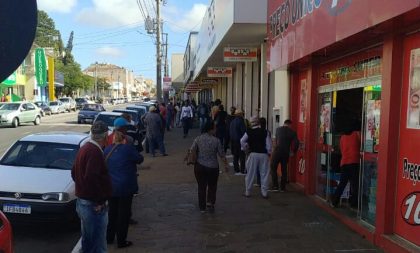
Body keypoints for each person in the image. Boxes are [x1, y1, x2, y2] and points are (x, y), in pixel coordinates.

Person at [71, 121, 112, 253]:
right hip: (93, 205)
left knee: (88, 241)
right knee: (98, 244)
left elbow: (73, 172)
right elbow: (91, 177)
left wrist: (81, 186)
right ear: (105, 136)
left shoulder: (85, 148)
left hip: (84, 202)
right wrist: (99, 200)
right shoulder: (94, 152)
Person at [105, 131, 144, 248]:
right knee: (124, 214)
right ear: (124, 140)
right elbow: (140, 159)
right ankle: (121, 240)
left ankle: (109, 237)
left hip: (111, 186)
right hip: (126, 186)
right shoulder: (128, 149)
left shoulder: (106, 150)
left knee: (112, 213)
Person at [190, 121, 228, 213]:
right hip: (213, 167)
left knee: (201, 187)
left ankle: (202, 208)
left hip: (200, 166)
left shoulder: (198, 139)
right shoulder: (216, 140)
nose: (216, 129)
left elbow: (192, 150)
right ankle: (210, 202)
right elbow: (222, 154)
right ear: (211, 129)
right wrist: (226, 164)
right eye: (214, 128)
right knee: (212, 185)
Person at [331, 122, 361, 208]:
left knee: (342, 183)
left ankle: (334, 201)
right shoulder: (357, 134)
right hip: (354, 162)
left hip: (344, 163)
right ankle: (354, 203)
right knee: (354, 184)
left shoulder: (342, 137)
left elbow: (341, 149)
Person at [241, 116, 272, 198]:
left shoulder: (249, 131)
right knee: (264, 173)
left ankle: (248, 191)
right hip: (263, 154)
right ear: (258, 123)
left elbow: (242, 140)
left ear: (251, 123)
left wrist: (245, 147)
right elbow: (268, 145)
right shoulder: (265, 132)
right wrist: (269, 152)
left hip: (253, 154)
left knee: (250, 173)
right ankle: (264, 192)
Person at [270, 119, 299, 192]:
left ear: (284, 123)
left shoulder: (278, 130)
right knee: (284, 170)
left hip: (277, 151)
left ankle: (275, 186)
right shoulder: (292, 132)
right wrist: (293, 152)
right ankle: (282, 187)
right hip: (285, 153)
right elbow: (296, 143)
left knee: (273, 168)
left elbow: (275, 140)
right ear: (290, 125)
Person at [229, 109, 247, 175]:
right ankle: (242, 169)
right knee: (242, 156)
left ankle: (236, 169)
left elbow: (230, 132)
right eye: (242, 113)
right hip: (240, 140)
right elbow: (244, 132)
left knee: (235, 156)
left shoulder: (232, 122)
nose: (243, 114)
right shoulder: (241, 121)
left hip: (233, 141)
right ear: (240, 114)